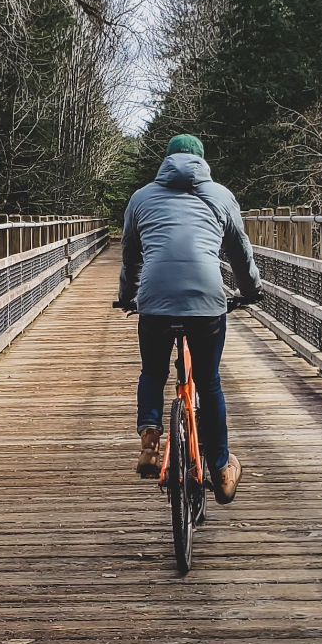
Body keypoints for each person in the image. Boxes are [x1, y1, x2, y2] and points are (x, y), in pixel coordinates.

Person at [116, 133, 263, 503]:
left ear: (165, 161)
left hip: (154, 301)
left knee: (153, 371)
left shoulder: (142, 198)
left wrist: (127, 297)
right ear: (203, 160)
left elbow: (131, 255)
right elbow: (240, 252)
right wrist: (250, 291)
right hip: (206, 302)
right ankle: (220, 468)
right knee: (208, 381)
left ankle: (150, 440)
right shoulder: (221, 196)